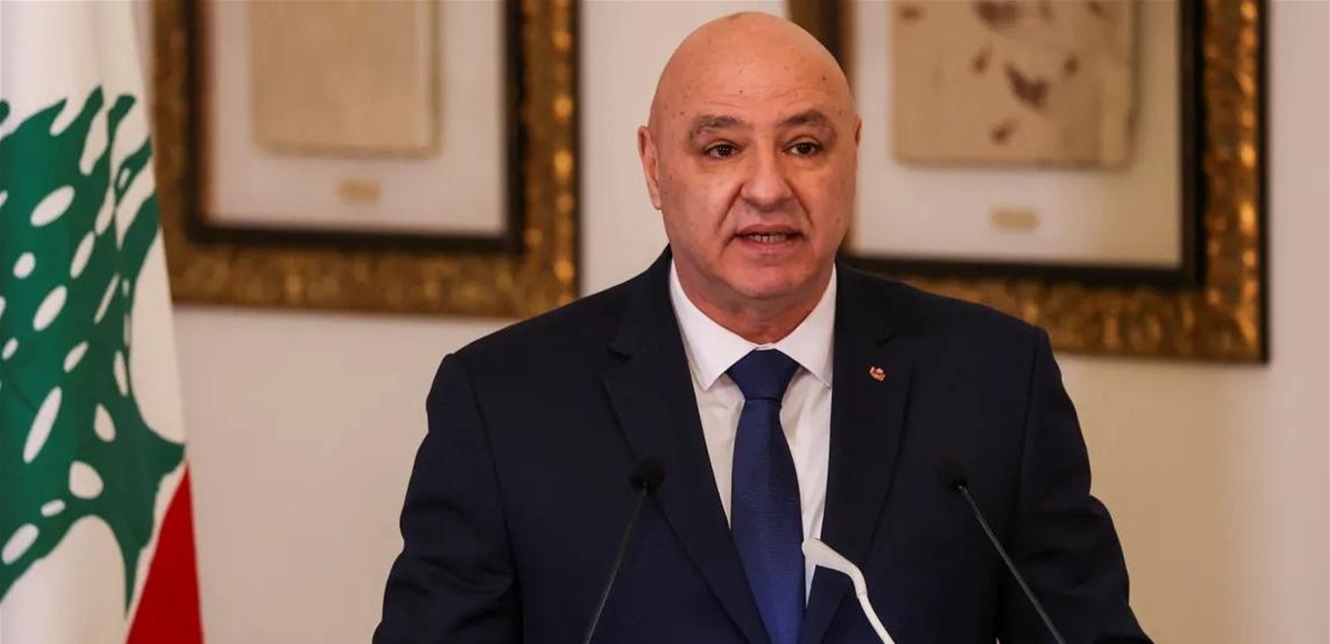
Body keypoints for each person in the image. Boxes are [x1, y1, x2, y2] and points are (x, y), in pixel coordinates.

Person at [374, 12, 1151, 644]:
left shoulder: (994, 382)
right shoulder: (505, 403)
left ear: (852, 156)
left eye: (804, 146)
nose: (769, 188)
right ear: (654, 167)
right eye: (721, 149)